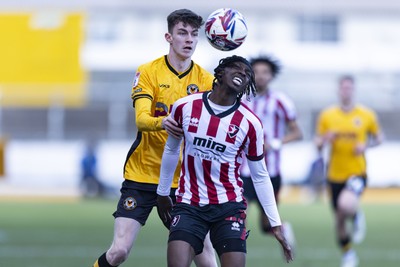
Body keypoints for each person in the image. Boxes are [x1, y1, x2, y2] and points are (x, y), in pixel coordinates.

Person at [93, 9, 217, 267]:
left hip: (183, 181)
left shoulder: (206, 80)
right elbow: (141, 119)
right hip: (142, 174)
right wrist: (165, 122)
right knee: (119, 252)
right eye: (182, 33)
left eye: (194, 34)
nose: (189, 40)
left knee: (204, 252)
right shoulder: (148, 72)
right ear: (168, 37)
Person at [157, 55, 293, 267]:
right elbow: (171, 150)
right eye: (236, 69)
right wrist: (163, 192)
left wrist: (275, 224)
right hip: (189, 204)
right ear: (220, 73)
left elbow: (260, 175)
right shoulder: (185, 106)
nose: (243, 73)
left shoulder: (250, 123)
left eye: (247, 74)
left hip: (228, 206)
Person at [315, 75, 384, 267]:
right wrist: (324, 140)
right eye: (343, 88)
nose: (346, 91)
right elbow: (317, 144)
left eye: (349, 88)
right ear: (338, 90)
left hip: (357, 172)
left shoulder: (366, 115)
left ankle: (356, 214)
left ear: (353, 90)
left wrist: (366, 146)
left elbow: (379, 138)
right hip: (334, 174)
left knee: (345, 205)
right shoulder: (327, 115)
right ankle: (348, 253)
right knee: (338, 220)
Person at [239, 56, 302, 251]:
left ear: (272, 76)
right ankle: (236, 255)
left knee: (267, 225)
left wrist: (273, 144)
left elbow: (297, 132)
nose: (260, 76)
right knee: (239, 216)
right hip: (242, 169)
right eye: (256, 72)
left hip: (270, 170)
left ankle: (283, 228)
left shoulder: (280, 100)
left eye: (265, 72)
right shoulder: (240, 98)